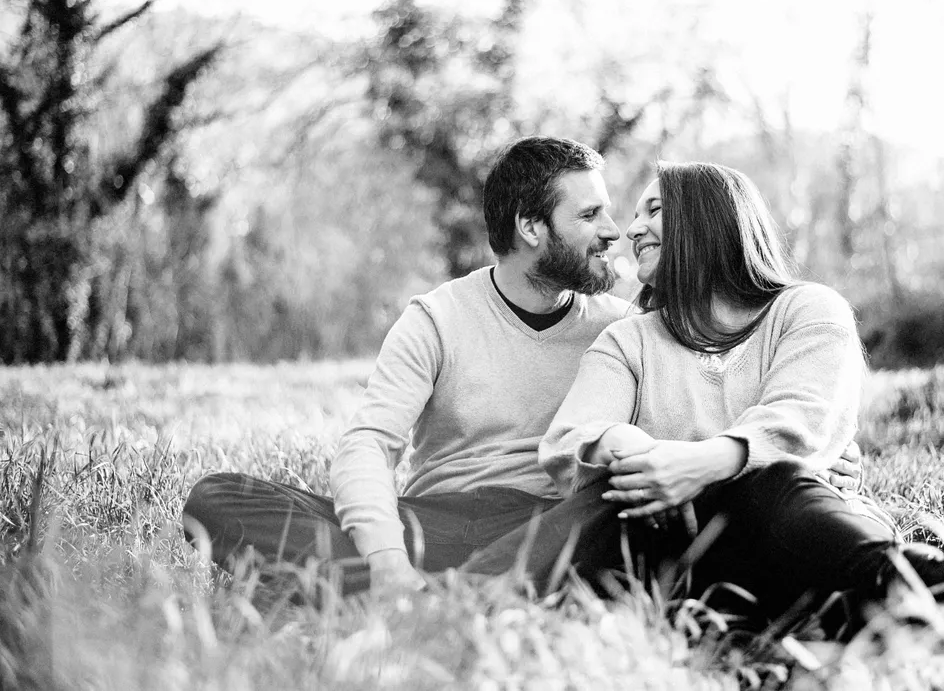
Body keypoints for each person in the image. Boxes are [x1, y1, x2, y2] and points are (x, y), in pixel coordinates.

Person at [181, 138, 862, 596]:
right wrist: (388, 556)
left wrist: (806, 454)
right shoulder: (439, 317)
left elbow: (683, 428)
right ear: (532, 228)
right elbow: (368, 444)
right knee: (218, 497)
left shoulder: (623, 326)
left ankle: (435, 595)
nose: (615, 232)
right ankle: (415, 588)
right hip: (435, 520)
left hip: (563, 526)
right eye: (591, 213)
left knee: (617, 512)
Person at [462, 162, 944, 627]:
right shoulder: (628, 340)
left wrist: (702, 462)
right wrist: (633, 445)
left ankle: (934, 594)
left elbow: (801, 418)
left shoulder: (807, 310)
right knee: (628, 506)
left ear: (708, 221)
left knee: (775, 482)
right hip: (684, 559)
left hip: (798, 535)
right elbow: (572, 438)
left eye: (655, 210)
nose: (631, 228)